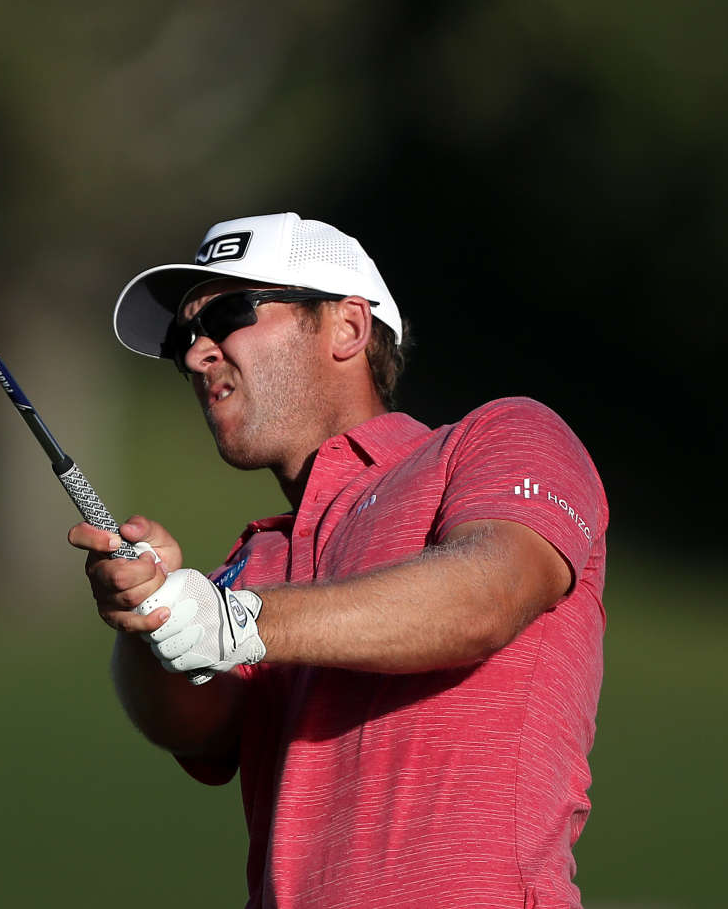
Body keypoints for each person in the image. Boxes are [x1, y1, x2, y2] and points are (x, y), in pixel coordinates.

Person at [71, 212, 607, 909]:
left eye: (229, 313)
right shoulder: (255, 556)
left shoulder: (498, 438)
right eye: (184, 338)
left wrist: (236, 619)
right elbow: (199, 728)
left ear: (348, 328)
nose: (198, 354)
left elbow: (490, 591)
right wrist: (153, 620)